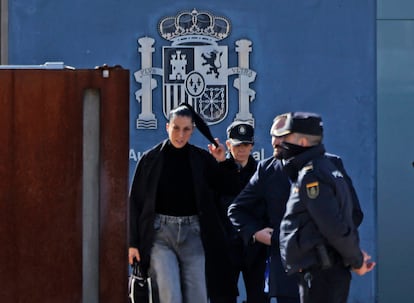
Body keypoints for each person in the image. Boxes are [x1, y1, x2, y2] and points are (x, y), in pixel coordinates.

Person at [227, 113, 365, 303]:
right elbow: (237, 210)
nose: (275, 141)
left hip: (328, 267)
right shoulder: (267, 170)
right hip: (287, 271)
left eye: (281, 135)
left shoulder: (329, 165)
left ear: (298, 138)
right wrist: (256, 233)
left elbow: (353, 214)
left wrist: (326, 244)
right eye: (273, 135)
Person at [128, 104, 241, 303]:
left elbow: (230, 188)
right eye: (176, 128)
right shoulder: (150, 159)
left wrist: (223, 161)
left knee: (197, 295)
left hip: (194, 234)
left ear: (193, 130)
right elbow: (135, 202)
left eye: (186, 129)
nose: (180, 134)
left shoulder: (202, 159)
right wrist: (132, 243)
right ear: (167, 127)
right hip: (160, 234)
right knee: (170, 295)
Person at [273, 112, 376, 303]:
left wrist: (356, 261)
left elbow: (333, 226)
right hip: (326, 270)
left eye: (285, 137)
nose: (279, 142)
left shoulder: (313, 175)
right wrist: (353, 255)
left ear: (302, 142)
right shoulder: (326, 168)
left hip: (322, 273)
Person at [209, 121, 268, 303]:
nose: (241, 149)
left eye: (245, 145)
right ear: (228, 145)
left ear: (252, 146)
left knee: (259, 298)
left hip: (255, 248)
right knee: (222, 298)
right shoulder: (217, 171)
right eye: (236, 145)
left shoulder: (262, 173)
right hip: (226, 248)